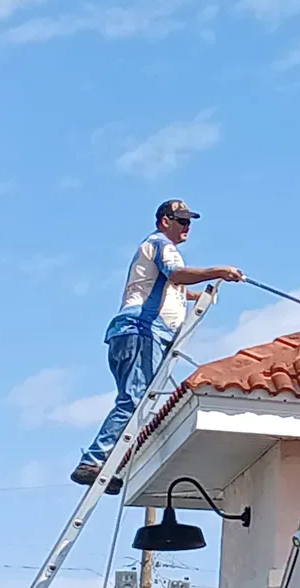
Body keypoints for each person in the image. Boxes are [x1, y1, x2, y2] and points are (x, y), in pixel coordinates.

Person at [71, 200, 244, 494]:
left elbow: (169, 286)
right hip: (143, 331)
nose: (187, 227)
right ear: (165, 221)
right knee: (134, 399)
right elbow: (176, 275)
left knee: (135, 400)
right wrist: (218, 271)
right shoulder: (162, 245)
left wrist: (196, 295)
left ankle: (107, 463)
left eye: (189, 222)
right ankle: (94, 460)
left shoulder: (155, 251)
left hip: (135, 333)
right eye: (181, 221)